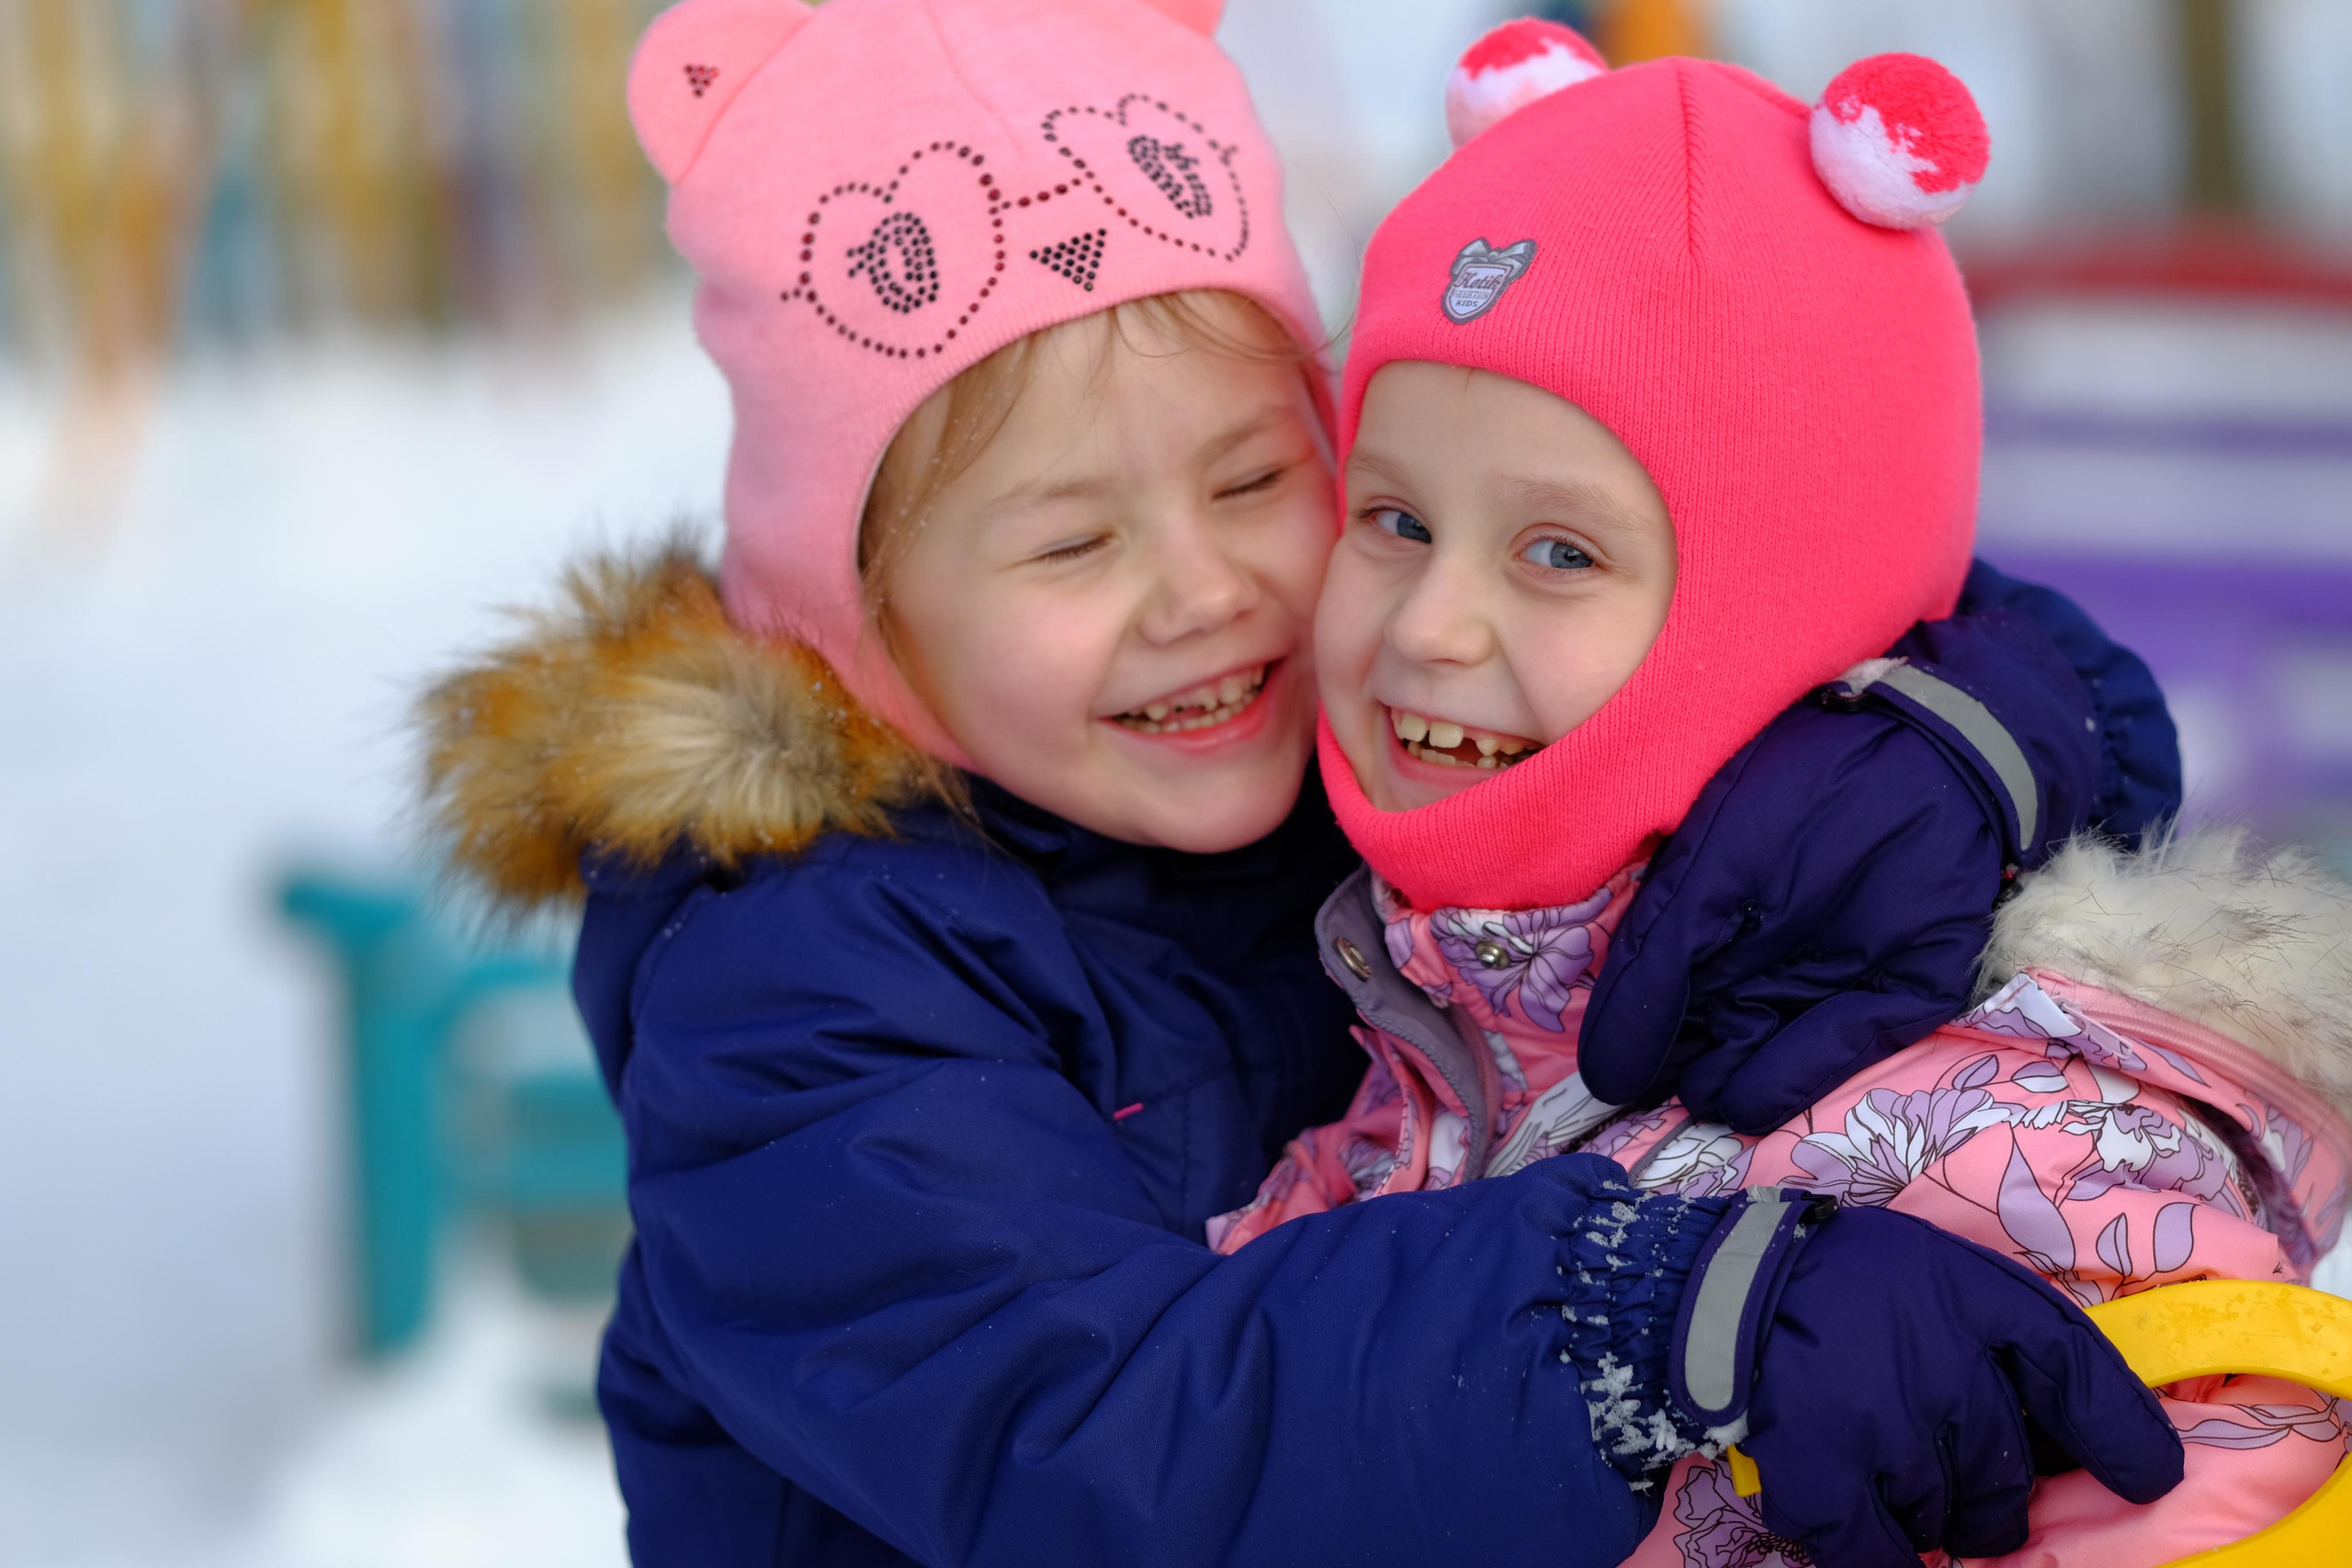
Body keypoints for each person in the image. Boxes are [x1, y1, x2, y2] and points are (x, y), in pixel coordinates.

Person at [415, 3, 2183, 1563]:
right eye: (1072, 542)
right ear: (853, 611)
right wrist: (1666, 1318)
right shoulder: (794, 986)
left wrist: (1935, 744)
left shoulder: (1351, 761)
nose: (1204, 595)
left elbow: (1790, 560)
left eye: (1263, 479)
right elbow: (1105, 1429)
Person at [1216, 22, 2340, 1566]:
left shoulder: (2030, 1158)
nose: (1427, 626)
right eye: (1395, 518)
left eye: (1560, 551)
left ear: (1786, 618)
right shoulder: (1408, 1026)